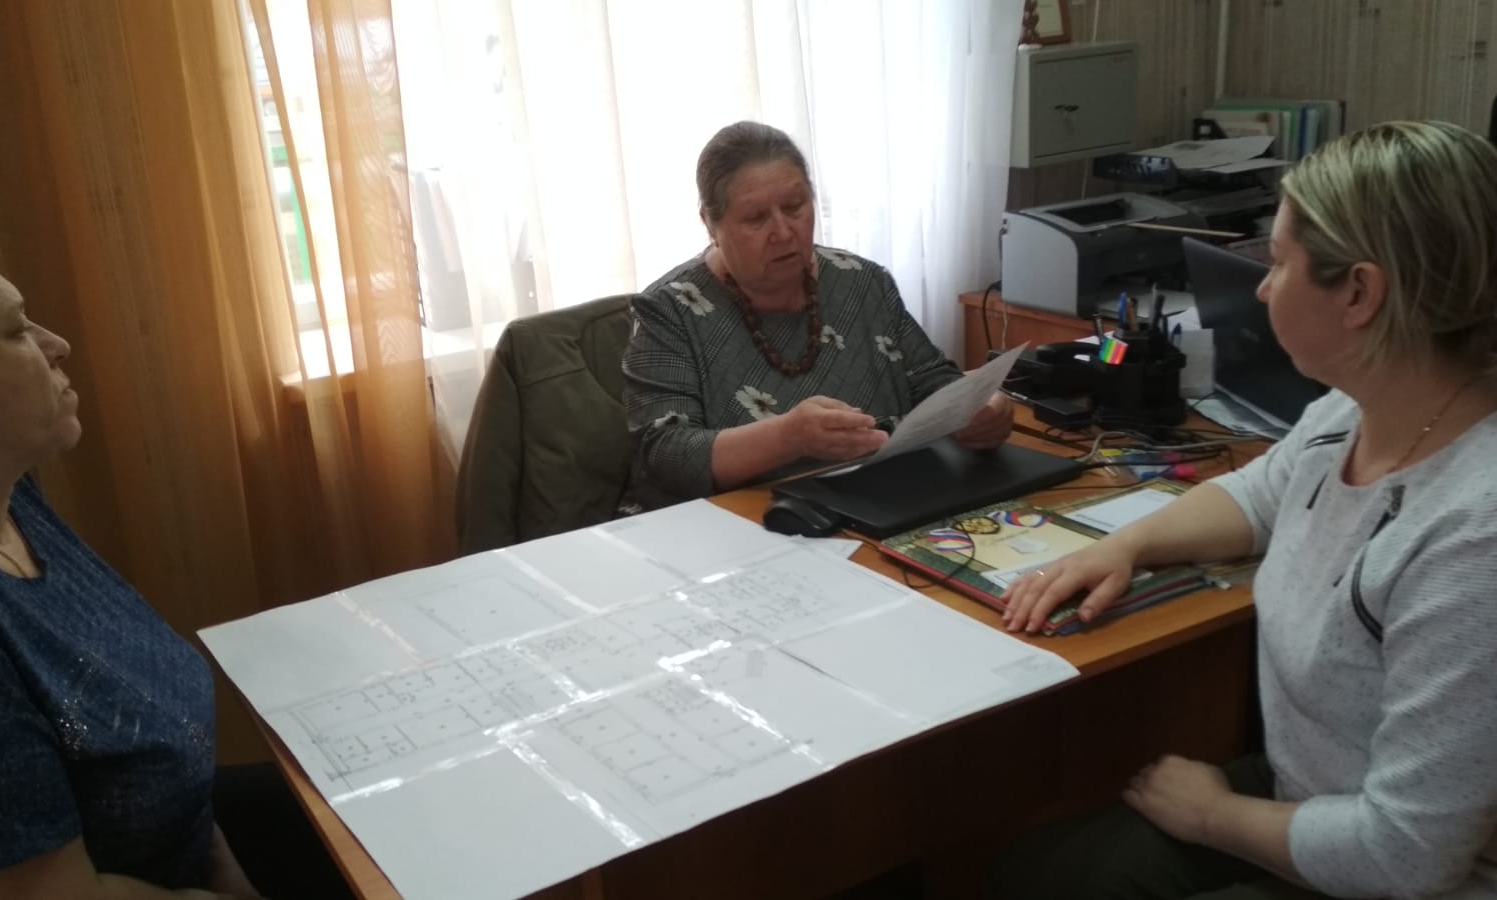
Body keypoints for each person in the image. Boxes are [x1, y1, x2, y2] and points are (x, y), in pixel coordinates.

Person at [992, 120, 1497, 898]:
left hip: (1399, 871)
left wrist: (1212, 816)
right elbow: (1259, 495)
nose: (1262, 288)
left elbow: (1404, 857)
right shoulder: (1356, 410)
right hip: (1312, 793)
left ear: (1359, 293)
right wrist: (1124, 546)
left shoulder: (1474, 539)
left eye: (1280, 263)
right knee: (1036, 867)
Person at [0, 187, 346, 900]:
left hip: (183, 841)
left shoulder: (4, 494)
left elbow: (143, 750)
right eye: (15, 331)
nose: (57, 344)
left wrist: (219, 858)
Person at [621, 120, 1015, 509]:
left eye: (795, 207)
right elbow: (665, 455)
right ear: (711, 225)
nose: (783, 232)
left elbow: (932, 381)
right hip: (741, 521)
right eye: (756, 218)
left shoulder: (863, 282)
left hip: (880, 502)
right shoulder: (668, 312)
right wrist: (788, 438)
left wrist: (984, 408)